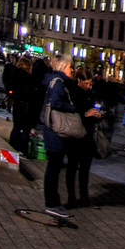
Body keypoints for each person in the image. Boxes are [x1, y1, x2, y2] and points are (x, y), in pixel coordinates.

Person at [38, 55, 80, 217]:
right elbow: (55, 103)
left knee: (54, 166)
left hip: (53, 130)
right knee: (54, 167)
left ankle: (53, 202)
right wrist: (72, 108)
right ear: (63, 67)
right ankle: (51, 204)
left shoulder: (55, 81)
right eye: (70, 67)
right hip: (56, 130)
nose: (72, 70)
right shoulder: (59, 82)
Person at [66, 65, 104, 204]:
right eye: (86, 83)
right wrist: (87, 114)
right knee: (72, 167)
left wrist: (97, 115)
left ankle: (83, 196)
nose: (88, 86)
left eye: (90, 84)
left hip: (87, 134)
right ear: (79, 80)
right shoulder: (73, 93)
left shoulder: (89, 94)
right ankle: (72, 197)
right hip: (75, 135)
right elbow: (74, 113)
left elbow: (91, 112)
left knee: (85, 167)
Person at [3, 53, 35, 152]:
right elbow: (30, 93)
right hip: (26, 104)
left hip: (17, 103)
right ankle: (23, 149)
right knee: (26, 128)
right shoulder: (29, 78)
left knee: (16, 126)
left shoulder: (14, 74)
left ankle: (12, 146)